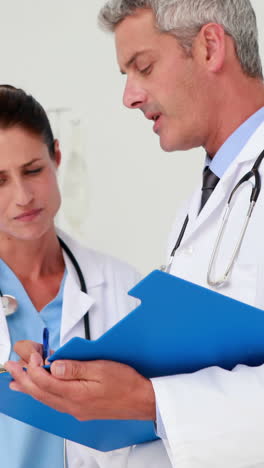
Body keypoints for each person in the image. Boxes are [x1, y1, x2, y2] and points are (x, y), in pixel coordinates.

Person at [6, 0, 264, 466]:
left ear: (209, 47)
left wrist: (148, 400)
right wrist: (78, 384)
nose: (129, 96)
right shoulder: (201, 206)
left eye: (143, 67)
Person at [0, 84, 171, 468]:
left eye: (32, 170)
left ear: (56, 156)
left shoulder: (124, 289)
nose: (23, 196)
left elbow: (159, 430)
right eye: (0, 181)